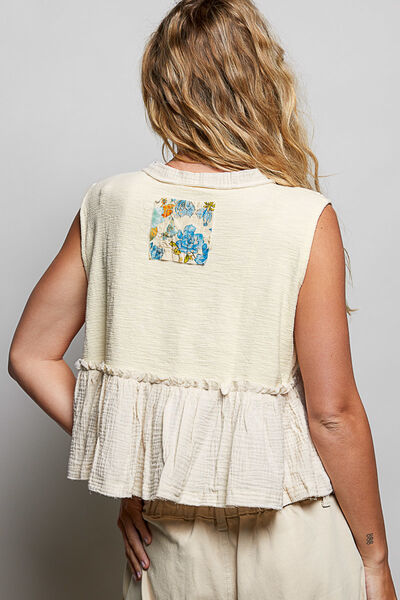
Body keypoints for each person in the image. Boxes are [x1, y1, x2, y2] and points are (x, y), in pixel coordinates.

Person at [8, 0, 397, 599]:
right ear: (263, 82)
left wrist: (131, 467)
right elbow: (332, 413)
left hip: (169, 543)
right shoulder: (301, 216)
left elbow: (30, 354)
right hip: (292, 535)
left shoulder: (111, 204)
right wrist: (374, 559)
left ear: (161, 87)